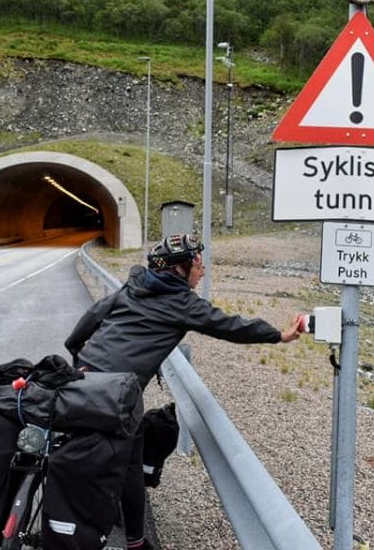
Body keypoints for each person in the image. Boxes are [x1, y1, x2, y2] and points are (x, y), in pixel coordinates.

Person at [64, 233, 301, 550]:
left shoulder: (134, 286)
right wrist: (279, 336)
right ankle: (134, 542)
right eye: (198, 264)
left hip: (82, 376)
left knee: (65, 440)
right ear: (180, 269)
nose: (202, 270)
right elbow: (230, 326)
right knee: (131, 466)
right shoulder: (183, 304)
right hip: (118, 395)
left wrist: (76, 353)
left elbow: (94, 316)